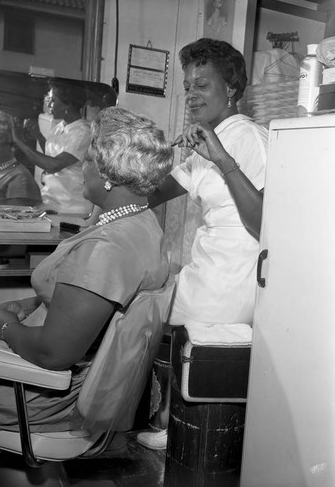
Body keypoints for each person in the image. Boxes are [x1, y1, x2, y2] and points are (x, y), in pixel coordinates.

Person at [0, 106, 174, 486]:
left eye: (88, 161)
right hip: (55, 371)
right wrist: (26, 306)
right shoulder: (138, 223)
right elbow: (79, 301)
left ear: (109, 176)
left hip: (43, 396)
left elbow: (54, 353)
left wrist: (4, 327)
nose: (82, 167)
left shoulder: (109, 248)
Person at [136, 38, 268, 450]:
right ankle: (170, 418)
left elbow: (267, 223)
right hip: (209, 264)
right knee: (148, 301)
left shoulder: (246, 137)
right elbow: (152, 194)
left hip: (234, 273)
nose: (191, 95)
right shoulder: (209, 137)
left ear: (230, 89)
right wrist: (118, 173)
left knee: (148, 310)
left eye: (202, 85)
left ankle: (174, 421)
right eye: (187, 85)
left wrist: (222, 159)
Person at [13, 80, 93, 216]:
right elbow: (54, 156)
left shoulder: (83, 132)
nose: (49, 105)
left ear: (68, 105)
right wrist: (38, 136)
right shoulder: (59, 127)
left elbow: (54, 165)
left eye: (53, 101)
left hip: (70, 208)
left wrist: (18, 141)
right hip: (51, 203)